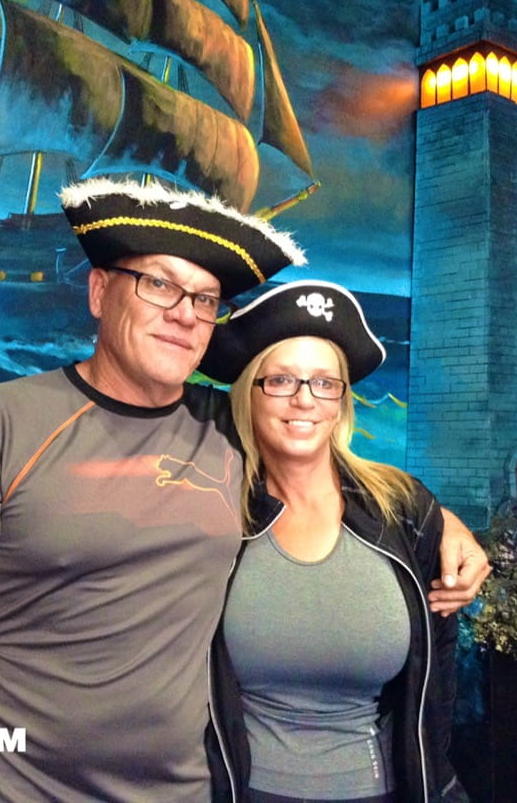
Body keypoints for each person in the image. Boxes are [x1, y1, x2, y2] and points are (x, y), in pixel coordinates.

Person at [0, 177, 488, 801]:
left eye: (204, 298)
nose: (183, 313)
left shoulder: (231, 427)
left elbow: (326, 461)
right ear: (99, 291)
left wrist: (443, 525)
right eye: (158, 284)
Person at [197, 280, 471, 802]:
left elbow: (437, 670)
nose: (305, 399)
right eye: (281, 380)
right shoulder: (212, 512)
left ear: (342, 400)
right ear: (248, 392)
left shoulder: (404, 509)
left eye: (325, 382)